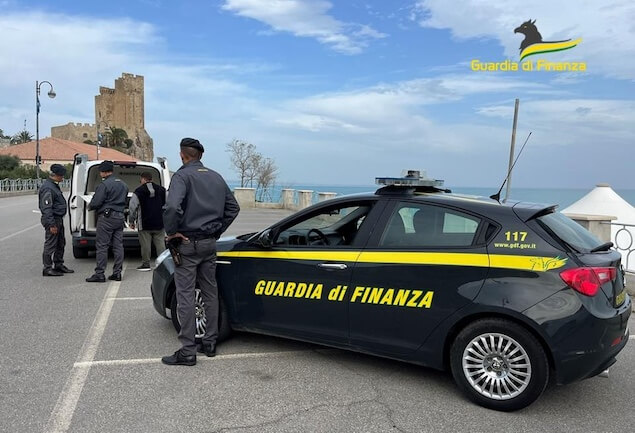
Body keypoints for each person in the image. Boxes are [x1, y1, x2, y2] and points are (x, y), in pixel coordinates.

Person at [161, 138, 240, 366]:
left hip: (187, 243)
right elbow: (233, 208)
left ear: (182, 155)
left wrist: (172, 232)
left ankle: (187, 350)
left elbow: (173, 207)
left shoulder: (182, 176)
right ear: (199, 155)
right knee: (209, 291)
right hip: (209, 243)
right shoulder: (215, 176)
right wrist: (216, 232)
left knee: (185, 294)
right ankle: (210, 342)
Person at [86, 160, 129, 283]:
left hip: (107, 218)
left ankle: (99, 273)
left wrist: (90, 206)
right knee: (118, 245)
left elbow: (96, 202)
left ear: (104, 172)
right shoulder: (123, 184)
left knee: (102, 246)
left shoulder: (104, 185)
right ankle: (117, 273)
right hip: (119, 217)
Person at [39, 164, 74, 276]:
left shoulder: (54, 186)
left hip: (58, 219)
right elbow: (46, 207)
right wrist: (51, 224)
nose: (62, 178)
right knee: (51, 244)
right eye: (61, 176)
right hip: (53, 219)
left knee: (60, 243)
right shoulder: (48, 188)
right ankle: (47, 268)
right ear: (56, 175)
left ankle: (58, 264)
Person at [128, 172, 167, 271]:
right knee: (161, 244)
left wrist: (131, 221)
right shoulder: (162, 190)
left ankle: (146, 264)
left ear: (143, 179)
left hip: (144, 223)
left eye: (140, 180)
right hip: (159, 222)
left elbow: (132, 207)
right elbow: (168, 205)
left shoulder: (138, 191)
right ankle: (163, 264)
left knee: (145, 245)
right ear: (151, 179)